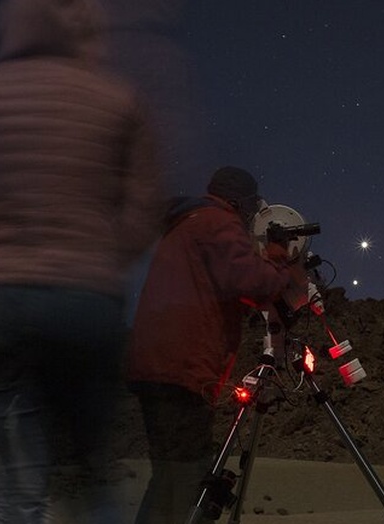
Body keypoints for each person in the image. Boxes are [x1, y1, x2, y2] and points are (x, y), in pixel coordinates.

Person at [0, 0, 163, 521]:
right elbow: (145, 207)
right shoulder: (118, 98)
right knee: (91, 468)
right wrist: (101, 253)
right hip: (85, 297)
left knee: (6, 481)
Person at [126, 166, 300, 524]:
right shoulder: (218, 223)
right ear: (238, 201)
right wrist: (279, 258)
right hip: (181, 369)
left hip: (156, 365)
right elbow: (254, 282)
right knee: (191, 482)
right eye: (252, 205)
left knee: (169, 478)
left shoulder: (190, 223)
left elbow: (228, 281)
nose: (254, 213)